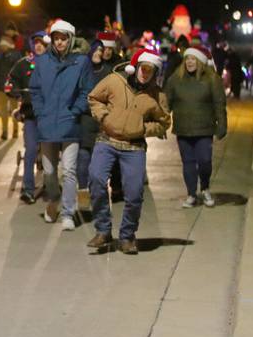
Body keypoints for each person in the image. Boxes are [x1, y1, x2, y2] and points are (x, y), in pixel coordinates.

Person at [87, 49, 171, 254]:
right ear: (135, 67)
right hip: (107, 140)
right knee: (96, 179)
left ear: (155, 72)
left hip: (134, 147)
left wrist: (142, 128)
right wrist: (104, 117)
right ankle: (103, 230)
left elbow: (163, 122)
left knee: (134, 193)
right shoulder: (114, 80)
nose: (145, 73)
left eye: (150, 70)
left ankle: (127, 236)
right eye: (143, 68)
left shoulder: (157, 95)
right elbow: (94, 98)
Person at [29, 20, 94, 230]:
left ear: (70, 39)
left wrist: (74, 111)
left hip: (69, 123)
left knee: (69, 171)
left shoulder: (81, 62)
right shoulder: (42, 61)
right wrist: (40, 112)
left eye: (63, 38)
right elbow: (35, 90)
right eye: (56, 38)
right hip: (47, 123)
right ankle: (53, 201)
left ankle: (67, 212)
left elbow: (86, 90)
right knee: (48, 172)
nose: (59, 42)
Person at [165, 45, 227, 208]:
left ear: (200, 61)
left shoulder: (212, 79)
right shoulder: (175, 79)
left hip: (204, 129)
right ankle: (191, 194)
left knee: (205, 161)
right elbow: (166, 103)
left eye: (193, 59)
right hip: (183, 129)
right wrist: (160, 123)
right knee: (188, 163)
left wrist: (222, 125)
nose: (190, 62)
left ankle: (205, 188)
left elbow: (219, 104)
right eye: (187, 59)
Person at [6, 30, 49, 203]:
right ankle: (28, 189)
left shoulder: (54, 64)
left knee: (50, 154)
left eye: (42, 43)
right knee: (30, 150)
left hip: (49, 117)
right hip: (30, 116)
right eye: (36, 42)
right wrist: (15, 92)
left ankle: (50, 187)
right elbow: (11, 83)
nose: (39, 45)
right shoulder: (23, 64)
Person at [77, 40, 113, 200]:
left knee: (99, 161)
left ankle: (98, 193)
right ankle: (83, 191)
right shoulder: (83, 70)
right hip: (85, 120)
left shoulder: (108, 72)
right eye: (96, 50)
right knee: (84, 157)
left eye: (101, 50)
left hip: (102, 122)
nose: (98, 53)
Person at [0, 37, 23, 140]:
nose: (1, 47)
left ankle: (15, 130)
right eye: (1, 46)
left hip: (12, 87)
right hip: (2, 87)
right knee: (3, 110)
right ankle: (5, 131)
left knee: (14, 110)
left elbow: (19, 70)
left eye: (3, 45)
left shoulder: (15, 55)